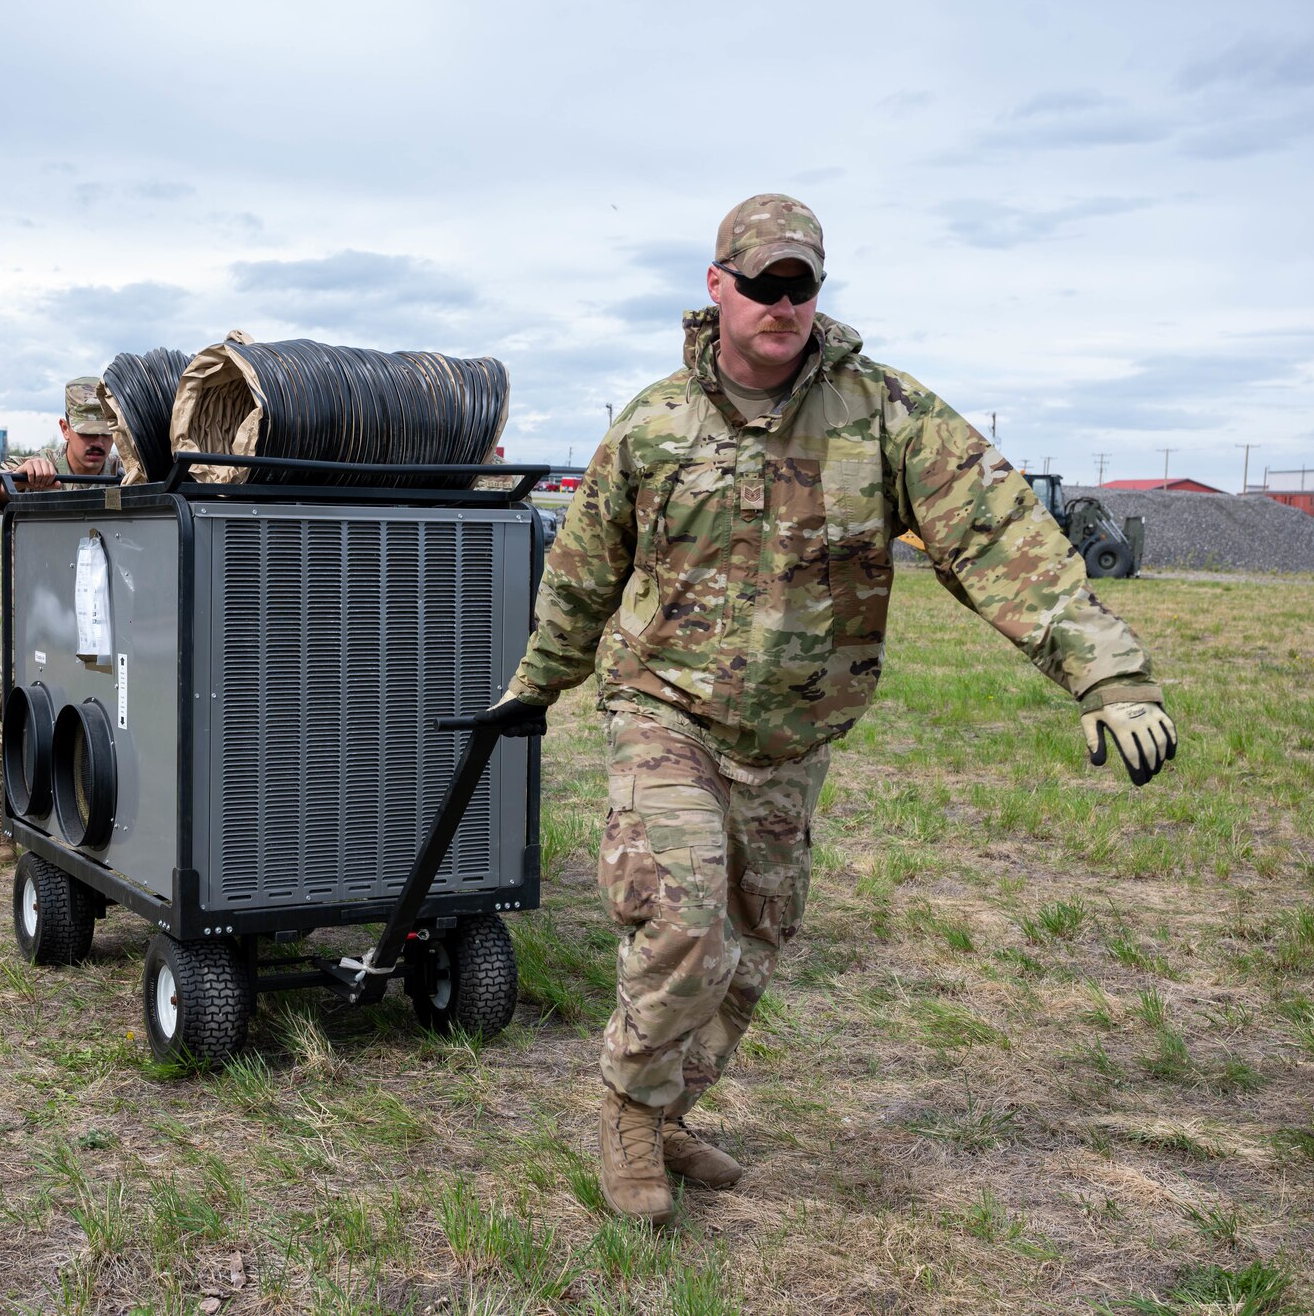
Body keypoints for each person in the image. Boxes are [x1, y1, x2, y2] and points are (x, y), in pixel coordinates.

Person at [482, 193, 1178, 1225]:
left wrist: (1103, 672)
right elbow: (584, 572)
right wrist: (537, 683)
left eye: (799, 284)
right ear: (716, 286)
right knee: (682, 923)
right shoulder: (652, 424)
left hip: (792, 735)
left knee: (750, 946)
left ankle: (671, 1110)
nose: (782, 303)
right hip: (664, 708)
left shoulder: (885, 414)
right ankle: (626, 1109)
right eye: (761, 283)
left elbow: (996, 535)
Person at [0, 377, 121, 858]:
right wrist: (19, 481)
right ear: (64, 428)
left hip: (99, 618)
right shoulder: (43, 465)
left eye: (105, 434)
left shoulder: (126, 470)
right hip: (42, 619)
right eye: (87, 434)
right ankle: (2, 819)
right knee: (18, 715)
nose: (98, 444)